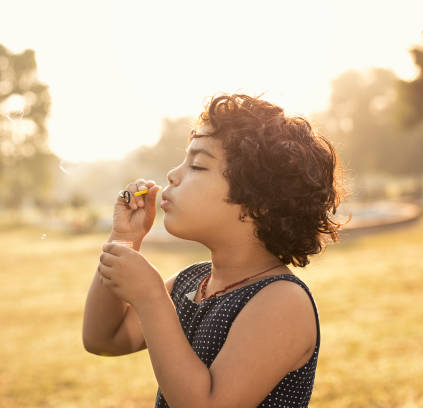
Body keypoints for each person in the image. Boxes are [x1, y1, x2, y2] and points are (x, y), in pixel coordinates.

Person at [83, 93, 349, 407]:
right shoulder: (192, 283)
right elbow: (103, 339)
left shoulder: (282, 301)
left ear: (257, 204)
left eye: (197, 165)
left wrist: (151, 298)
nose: (173, 174)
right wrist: (123, 238)